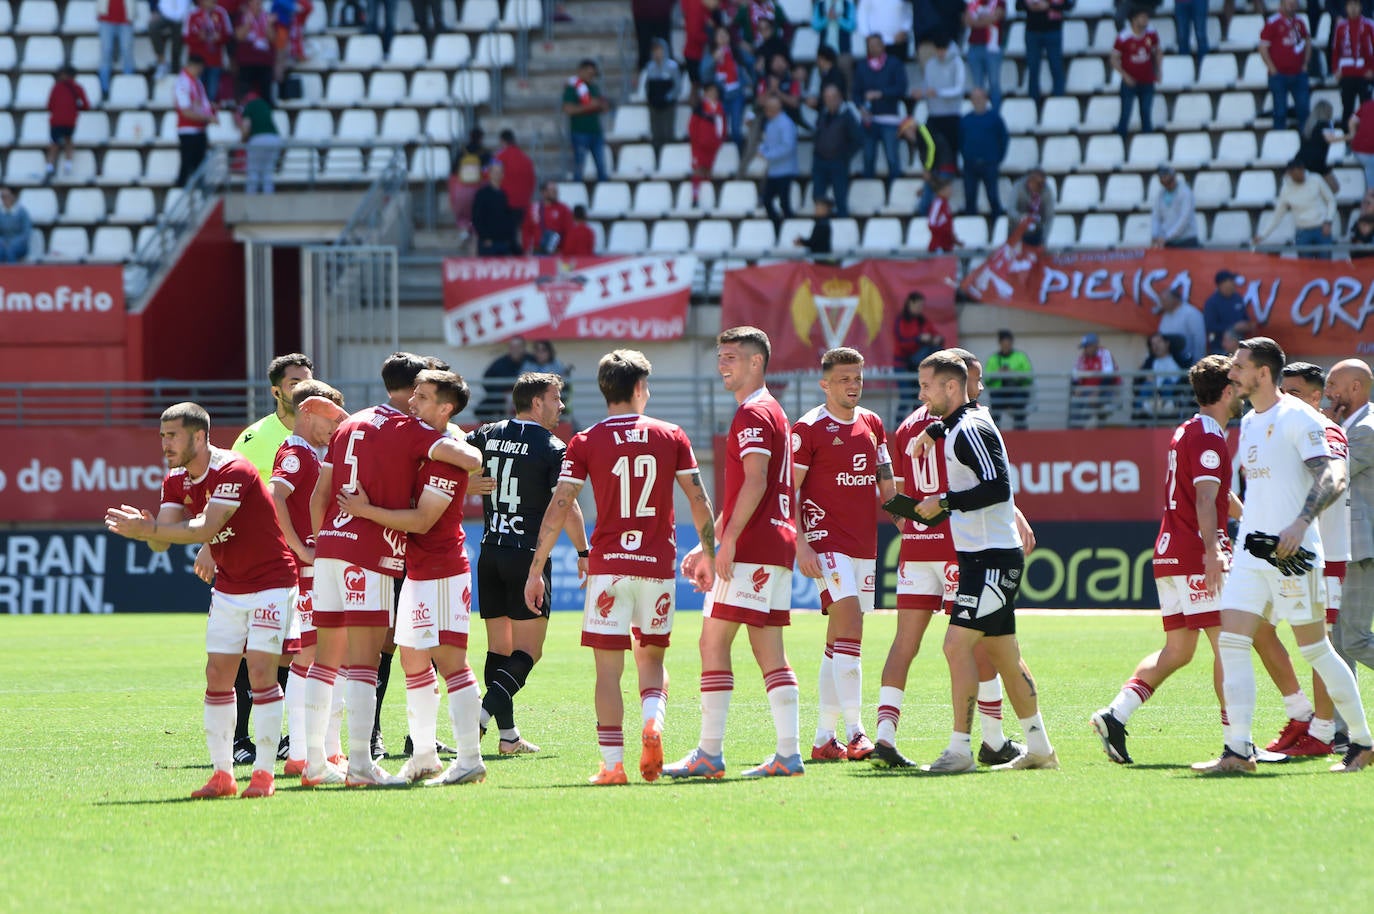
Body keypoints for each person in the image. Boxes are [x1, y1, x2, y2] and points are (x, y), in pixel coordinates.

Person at [525, 351, 716, 785]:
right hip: (655, 566)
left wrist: (537, 567)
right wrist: (708, 552)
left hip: (609, 568)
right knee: (651, 660)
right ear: (638, 389)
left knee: (608, 671)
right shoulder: (672, 435)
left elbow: (559, 506)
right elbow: (699, 500)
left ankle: (613, 766)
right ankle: (653, 721)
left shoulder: (586, 441)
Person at [301, 353, 484, 788]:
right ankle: (403, 758)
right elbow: (471, 459)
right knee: (391, 662)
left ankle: (465, 757)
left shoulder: (362, 425)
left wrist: (331, 535)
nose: (416, 404)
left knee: (437, 661)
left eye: (425, 397)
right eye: (416, 394)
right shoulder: (415, 436)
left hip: (421, 564)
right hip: (384, 560)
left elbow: (420, 517)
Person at [1194, 337, 1371, 774]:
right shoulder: (1251, 421)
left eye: (1239, 366)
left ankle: (1364, 742)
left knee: (1316, 651)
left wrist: (1300, 522)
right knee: (1233, 642)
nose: (1231, 373)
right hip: (1252, 554)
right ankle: (1237, 751)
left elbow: (1334, 473)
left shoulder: (1299, 417)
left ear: (1263, 372)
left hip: (1294, 554)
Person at [105, 402, 298, 799]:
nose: (165, 444)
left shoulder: (234, 468)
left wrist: (153, 529)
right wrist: (145, 532)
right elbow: (164, 540)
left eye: (172, 435)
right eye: (162, 436)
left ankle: (263, 774)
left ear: (199, 436)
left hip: (272, 581)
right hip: (230, 585)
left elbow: (206, 527)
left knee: (262, 671)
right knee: (217, 675)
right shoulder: (176, 478)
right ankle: (223, 775)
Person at [874, 348, 1033, 769]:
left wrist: (911, 525)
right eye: (975, 380)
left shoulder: (911, 427)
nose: (977, 389)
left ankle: (885, 734)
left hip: (917, 546)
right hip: (957, 549)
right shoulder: (965, 424)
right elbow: (981, 484)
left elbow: (898, 495)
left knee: (906, 644)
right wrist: (1009, 511)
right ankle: (992, 740)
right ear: (957, 382)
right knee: (978, 648)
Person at [665, 326, 804, 779]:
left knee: (713, 641)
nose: (722, 364)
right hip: (774, 545)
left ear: (756, 363)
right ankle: (788, 754)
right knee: (770, 653)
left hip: (754, 548)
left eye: (731, 357)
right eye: (720, 357)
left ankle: (709, 752)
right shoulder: (773, 412)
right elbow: (748, 489)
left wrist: (725, 545)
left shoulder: (752, 414)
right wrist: (705, 546)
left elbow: (756, 481)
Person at [911, 351, 1057, 772]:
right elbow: (961, 431)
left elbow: (997, 486)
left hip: (991, 559)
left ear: (951, 388)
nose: (922, 395)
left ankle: (960, 750)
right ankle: (1041, 750)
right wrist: (934, 430)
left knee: (955, 645)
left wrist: (944, 502)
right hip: (986, 556)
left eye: (927, 387)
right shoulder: (959, 423)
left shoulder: (969, 427)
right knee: (1006, 657)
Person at [1093, 355, 1238, 764]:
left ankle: (1115, 714)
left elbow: (1215, 495)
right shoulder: (1210, 436)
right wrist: (1213, 552)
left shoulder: (1188, 430)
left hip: (1169, 552)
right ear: (1226, 391)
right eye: (1238, 383)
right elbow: (1208, 500)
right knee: (1228, 646)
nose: (1243, 389)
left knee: (1178, 651)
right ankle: (1236, 742)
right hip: (1196, 552)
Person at [467, 373, 589, 756]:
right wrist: (584, 552)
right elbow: (564, 505)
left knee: (498, 652)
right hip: (525, 555)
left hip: (489, 551)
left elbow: (445, 452)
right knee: (528, 653)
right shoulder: (552, 447)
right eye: (556, 398)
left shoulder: (486, 433)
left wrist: (467, 483)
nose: (561, 406)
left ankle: (508, 737)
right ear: (537, 402)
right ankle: (479, 719)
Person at [791, 348, 895, 762]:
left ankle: (822, 739)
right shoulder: (809, 428)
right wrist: (800, 542)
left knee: (840, 637)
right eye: (843, 380)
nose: (852, 386)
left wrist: (912, 526)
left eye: (857, 378)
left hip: (862, 544)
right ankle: (856, 732)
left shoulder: (872, 424)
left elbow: (886, 486)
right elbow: (789, 491)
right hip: (824, 539)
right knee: (850, 621)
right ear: (825, 384)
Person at [226, 351, 313, 761]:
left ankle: (283, 735)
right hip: (265, 558)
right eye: (293, 382)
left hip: (308, 557)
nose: (300, 388)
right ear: (276, 390)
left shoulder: (324, 431)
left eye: (306, 380)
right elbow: (227, 497)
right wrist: (215, 545)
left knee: (294, 649)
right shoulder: (254, 439)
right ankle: (240, 738)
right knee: (255, 647)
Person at [270, 380, 348, 778]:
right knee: (311, 657)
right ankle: (303, 754)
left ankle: (323, 750)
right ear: (307, 412)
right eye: (330, 416)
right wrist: (300, 549)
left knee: (323, 658)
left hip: (318, 569)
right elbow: (275, 496)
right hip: (307, 572)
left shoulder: (312, 451)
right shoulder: (297, 452)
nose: (336, 424)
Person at [1327, 360, 1374, 695]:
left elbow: (1333, 474)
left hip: (1361, 546)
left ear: (1355, 388)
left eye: (1333, 385)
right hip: (1341, 545)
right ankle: (1348, 733)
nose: (1328, 393)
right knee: (1338, 642)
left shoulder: (1367, 429)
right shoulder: (1349, 426)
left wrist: (1321, 430)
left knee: (1355, 639)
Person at [1252, 159, 1336, 258]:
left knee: (1326, 266)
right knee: (1304, 267)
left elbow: (1331, 201)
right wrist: (1262, 235)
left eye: (1302, 172)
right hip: (1302, 232)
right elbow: (1277, 215)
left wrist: (1329, 221)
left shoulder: (1316, 179)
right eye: (1297, 174)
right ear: (1289, 174)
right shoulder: (1286, 190)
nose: (1301, 176)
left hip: (1322, 228)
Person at [854, 34, 908, 184]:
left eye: (876, 44)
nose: (873, 48)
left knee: (892, 158)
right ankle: (869, 192)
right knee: (868, 157)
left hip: (889, 119)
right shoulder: (862, 66)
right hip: (869, 119)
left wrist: (881, 93)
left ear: (883, 45)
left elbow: (901, 88)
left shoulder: (894, 64)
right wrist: (860, 107)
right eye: (870, 45)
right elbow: (856, 93)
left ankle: (896, 191)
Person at [1260, 0, 1313, 131]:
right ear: (1281, 4)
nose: (1292, 6)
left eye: (1294, 3)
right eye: (1289, 3)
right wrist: (1272, 69)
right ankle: (1279, 145)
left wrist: (1305, 64)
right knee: (1280, 112)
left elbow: (1307, 43)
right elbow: (1263, 48)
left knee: (1304, 111)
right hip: (1279, 76)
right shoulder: (1272, 22)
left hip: (1299, 74)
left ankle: (1305, 144)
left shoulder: (1300, 22)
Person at [811, 84, 863, 216]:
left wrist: (845, 155)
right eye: (826, 98)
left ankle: (842, 226)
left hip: (838, 163)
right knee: (818, 197)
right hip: (820, 162)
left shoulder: (848, 116)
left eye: (832, 98)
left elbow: (857, 139)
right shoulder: (822, 115)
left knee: (840, 198)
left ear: (840, 99)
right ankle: (821, 228)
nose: (829, 101)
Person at [1112, 8, 1162, 139]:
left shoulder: (1151, 33)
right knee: (1125, 114)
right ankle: (1119, 143)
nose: (1145, 20)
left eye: (1146, 17)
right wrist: (1125, 75)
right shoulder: (1124, 36)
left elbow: (1157, 51)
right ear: (1134, 20)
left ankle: (1148, 143)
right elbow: (1113, 59)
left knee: (1146, 113)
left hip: (1147, 80)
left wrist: (1158, 70)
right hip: (1129, 82)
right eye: (1142, 17)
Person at [893, 291, 945, 413]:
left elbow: (936, 334)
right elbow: (902, 342)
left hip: (918, 366)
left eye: (922, 306)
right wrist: (918, 339)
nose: (920, 308)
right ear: (910, 303)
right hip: (903, 364)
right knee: (906, 398)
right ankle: (897, 427)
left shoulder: (923, 320)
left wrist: (937, 339)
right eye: (918, 305)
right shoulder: (900, 320)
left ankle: (916, 426)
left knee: (918, 398)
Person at [961, 87, 1007, 217]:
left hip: (989, 163)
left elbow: (1003, 139)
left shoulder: (995, 118)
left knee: (993, 197)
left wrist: (998, 158)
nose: (977, 101)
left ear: (986, 99)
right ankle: (971, 228)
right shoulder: (966, 120)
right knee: (970, 198)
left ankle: (997, 227)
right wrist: (966, 156)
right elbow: (960, 140)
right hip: (970, 165)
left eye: (980, 98)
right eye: (974, 98)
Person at [917, 37, 965, 159]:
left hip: (951, 114)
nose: (940, 53)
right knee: (933, 149)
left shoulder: (957, 63)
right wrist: (921, 93)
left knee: (951, 149)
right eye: (938, 50)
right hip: (934, 115)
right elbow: (927, 87)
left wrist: (938, 92)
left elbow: (958, 89)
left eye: (943, 50)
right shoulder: (930, 64)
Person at [1018, 0, 1073, 105]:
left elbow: (1069, 5)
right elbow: (1019, 5)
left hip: (1053, 31)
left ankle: (1058, 102)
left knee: (1056, 67)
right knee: (1033, 68)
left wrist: (1048, 5)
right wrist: (1031, 6)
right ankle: (1032, 104)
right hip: (1032, 31)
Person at [565, 59, 611, 182]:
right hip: (580, 132)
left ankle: (604, 192)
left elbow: (603, 106)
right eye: (589, 74)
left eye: (593, 74)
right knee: (579, 166)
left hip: (596, 132)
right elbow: (569, 109)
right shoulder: (572, 88)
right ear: (581, 71)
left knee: (602, 166)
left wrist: (601, 105)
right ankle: (577, 192)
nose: (592, 77)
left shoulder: (594, 88)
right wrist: (589, 106)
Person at [758, 94, 799, 231]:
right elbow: (767, 143)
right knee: (767, 200)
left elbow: (788, 147)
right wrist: (762, 150)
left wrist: (768, 155)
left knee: (784, 203)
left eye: (768, 108)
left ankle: (790, 228)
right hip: (774, 171)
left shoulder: (786, 124)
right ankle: (777, 226)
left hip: (785, 171)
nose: (766, 111)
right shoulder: (770, 124)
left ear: (775, 109)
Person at [1332, 0, 1374, 128]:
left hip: (1364, 74)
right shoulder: (1341, 26)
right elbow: (1335, 50)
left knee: (1366, 109)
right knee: (1347, 109)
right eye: (1350, 5)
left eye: (1356, 5)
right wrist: (1335, 70)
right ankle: (1346, 141)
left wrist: (1372, 69)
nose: (1353, 8)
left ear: (1361, 7)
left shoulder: (1369, 25)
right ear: (1346, 8)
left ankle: (1366, 139)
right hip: (1346, 75)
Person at [175, 55, 215, 187]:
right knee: (186, 163)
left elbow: (204, 106)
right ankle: (181, 190)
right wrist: (207, 117)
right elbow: (185, 111)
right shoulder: (182, 82)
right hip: (187, 129)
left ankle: (198, 189)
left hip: (199, 129)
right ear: (194, 66)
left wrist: (209, 115)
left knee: (200, 164)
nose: (200, 71)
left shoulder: (197, 83)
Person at [45, 66, 90, 181]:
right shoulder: (77, 88)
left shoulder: (56, 87)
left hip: (56, 120)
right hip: (70, 120)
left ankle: (50, 167)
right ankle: (68, 166)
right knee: (68, 141)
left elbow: (49, 105)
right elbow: (86, 105)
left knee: (54, 144)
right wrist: (75, 108)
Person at [1131, 333, 1189, 421]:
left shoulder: (1178, 359)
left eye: (1159, 342)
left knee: (1167, 382)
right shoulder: (1150, 362)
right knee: (1147, 385)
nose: (1156, 346)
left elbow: (1187, 376)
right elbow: (1139, 378)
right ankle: (1140, 413)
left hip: (1173, 392)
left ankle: (1167, 408)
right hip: (1153, 394)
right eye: (1153, 344)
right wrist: (1145, 377)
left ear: (1167, 343)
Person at [183, 0, 232, 102]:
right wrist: (199, 38)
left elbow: (228, 34)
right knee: (196, 94)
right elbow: (185, 37)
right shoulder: (192, 13)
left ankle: (210, 115)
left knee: (212, 94)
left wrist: (219, 38)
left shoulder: (221, 13)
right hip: (197, 62)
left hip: (214, 60)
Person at [1069, 333, 1119, 428]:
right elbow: (1075, 376)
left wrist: (1097, 392)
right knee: (1074, 408)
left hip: (1106, 391)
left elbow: (1109, 377)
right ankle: (1073, 434)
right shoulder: (1083, 357)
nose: (1085, 350)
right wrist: (1076, 388)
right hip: (1087, 391)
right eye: (1084, 347)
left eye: (1087, 346)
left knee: (1087, 409)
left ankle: (1078, 433)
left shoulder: (1105, 353)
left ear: (1095, 345)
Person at [985, 329, 1032, 430]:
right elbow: (987, 380)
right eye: (1004, 343)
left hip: (1017, 391)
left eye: (1008, 343)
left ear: (1011, 343)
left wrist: (1013, 373)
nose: (1006, 346)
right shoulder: (993, 359)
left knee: (1018, 403)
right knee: (996, 404)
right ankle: (994, 432)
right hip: (999, 392)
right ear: (1000, 344)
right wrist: (998, 373)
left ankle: (1020, 430)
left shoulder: (1020, 357)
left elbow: (1029, 377)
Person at [689, 81, 727, 207]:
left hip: (713, 145)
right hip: (699, 144)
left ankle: (707, 199)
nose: (713, 93)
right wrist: (696, 140)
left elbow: (722, 125)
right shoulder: (700, 107)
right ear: (705, 93)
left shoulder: (719, 108)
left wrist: (720, 139)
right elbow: (692, 125)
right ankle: (695, 197)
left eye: (715, 91)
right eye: (710, 91)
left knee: (708, 170)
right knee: (698, 169)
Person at [640, 39, 682, 152]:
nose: (657, 53)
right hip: (654, 105)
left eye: (659, 50)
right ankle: (657, 157)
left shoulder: (672, 67)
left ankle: (670, 157)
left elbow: (677, 87)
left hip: (668, 105)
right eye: (655, 50)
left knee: (668, 133)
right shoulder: (649, 67)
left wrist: (667, 98)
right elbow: (647, 85)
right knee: (656, 134)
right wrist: (651, 99)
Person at [475, 337, 529, 421]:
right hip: (502, 399)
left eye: (518, 347)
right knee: (480, 410)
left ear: (524, 348)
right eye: (513, 347)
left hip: (525, 398)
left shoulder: (531, 360)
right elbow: (487, 381)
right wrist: (502, 394)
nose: (516, 350)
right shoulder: (500, 363)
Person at [239, 90, 281, 194]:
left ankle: (250, 199)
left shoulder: (249, 106)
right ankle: (269, 199)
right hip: (274, 138)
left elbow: (246, 128)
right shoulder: (265, 105)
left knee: (253, 171)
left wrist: (242, 141)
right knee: (267, 172)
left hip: (257, 139)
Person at [964, 0, 1005, 107]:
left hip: (992, 47)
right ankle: (979, 113)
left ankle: (995, 115)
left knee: (994, 84)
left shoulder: (998, 2)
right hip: (974, 47)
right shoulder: (973, 3)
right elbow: (967, 20)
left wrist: (977, 20)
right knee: (977, 86)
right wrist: (986, 19)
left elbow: (995, 17)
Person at [473, 162, 519, 256]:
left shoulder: (504, 195)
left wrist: (510, 239)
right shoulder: (482, 194)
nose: (497, 175)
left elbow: (509, 219)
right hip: (488, 243)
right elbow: (476, 217)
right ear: (489, 174)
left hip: (503, 243)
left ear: (503, 175)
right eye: (495, 172)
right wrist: (484, 237)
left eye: (499, 172)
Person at [493, 130, 536, 230]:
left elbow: (487, 174)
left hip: (505, 203)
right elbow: (532, 181)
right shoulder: (526, 159)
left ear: (502, 141)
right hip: (523, 203)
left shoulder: (499, 157)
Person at [235, 0, 276, 103]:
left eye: (259, 2)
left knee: (265, 94)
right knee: (245, 94)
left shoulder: (267, 17)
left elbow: (273, 38)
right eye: (254, 2)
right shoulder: (242, 17)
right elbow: (239, 36)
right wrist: (248, 23)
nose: (257, 5)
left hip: (264, 62)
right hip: (247, 62)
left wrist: (269, 25)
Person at [1202, 270, 1251, 354]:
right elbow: (1210, 327)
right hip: (1219, 347)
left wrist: (1247, 325)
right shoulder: (1212, 303)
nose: (1233, 284)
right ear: (1221, 284)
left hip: (1239, 346)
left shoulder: (1237, 298)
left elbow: (1245, 317)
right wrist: (1233, 327)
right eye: (1230, 281)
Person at [1299, 100, 1343, 194]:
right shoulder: (1325, 124)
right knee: (1334, 188)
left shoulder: (1309, 126)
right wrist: (1350, 136)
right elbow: (1331, 139)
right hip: (1317, 163)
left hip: (1303, 161)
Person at [1150, 166, 1199, 248]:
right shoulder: (1160, 194)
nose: (1168, 185)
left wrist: (1167, 236)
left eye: (1169, 181)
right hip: (1169, 242)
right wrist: (1155, 234)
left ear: (1174, 177)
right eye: (1164, 182)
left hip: (1186, 241)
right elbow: (1156, 216)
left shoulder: (1185, 193)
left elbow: (1184, 219)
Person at [1156, 287, 1206, 366]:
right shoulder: (1166, 315)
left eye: (1164, 301)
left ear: (1175, 300)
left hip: (1187, 362)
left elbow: (1199, 340)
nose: (1161, 304)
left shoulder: (1191, 314)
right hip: (1168, 363)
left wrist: (1197, 363)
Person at [522, 181, 574, 256]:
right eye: (552, 190)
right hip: (536, 252)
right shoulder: (534, 208)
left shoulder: (563, 209)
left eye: (556, 191)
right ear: (544, 192)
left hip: (555, 253)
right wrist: (526, 248)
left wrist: (564, 252)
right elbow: (526, 230)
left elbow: (569, 232)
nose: (555, 193)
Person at [98, 0, 137, 96]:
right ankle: (104, 89)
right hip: (106, 19)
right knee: (106, 52)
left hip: (126, 19)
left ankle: (128, 85)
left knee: (127, 52)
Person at [1011, 168, 1055, 247]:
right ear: (1030, 181)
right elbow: (1011, 209)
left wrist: (1044, 239)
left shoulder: (1046, 191)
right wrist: (1021, 218)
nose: (1039, 187)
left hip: (1037, 229)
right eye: (1037, 184)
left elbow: (1049, 216)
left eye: (1042, 184)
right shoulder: (1018, 187)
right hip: (1017, 227)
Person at [151, 0, 190, 80]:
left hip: (182, 17)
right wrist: (154, 10)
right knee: (153, 27)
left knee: (176, 46)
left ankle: (175, 72)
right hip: (165, 14)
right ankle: (161, 62)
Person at [634, 0, 676, 69]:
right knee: (644, 51)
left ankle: (669, 77)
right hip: (642, 14)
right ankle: (644, 76)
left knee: (665, 50)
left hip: (662, 13)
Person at [0, 186, 33, 264]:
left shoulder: (22, 212)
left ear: (13, 196)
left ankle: (12, 275)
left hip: (19, 245)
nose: (5, 199)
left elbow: (26, 233)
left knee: (10, 251)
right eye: (2, 197)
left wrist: (12, 243)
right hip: (3, 244)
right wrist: (3, 241)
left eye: (7, 196)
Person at [1348, 96, 1374, 191]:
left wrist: (1352, 136)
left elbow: (1352, 121)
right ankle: (1371, 197)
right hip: (1366, 151)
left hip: (1358, 148)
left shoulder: (1367, 105)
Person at [927, 176, 958, 251]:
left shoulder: (945, 204)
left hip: (947, 245)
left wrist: (952, 237)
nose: (950, 191)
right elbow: (932, 223)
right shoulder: (938, 203)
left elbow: (946, 224)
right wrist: (941, 237)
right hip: (938, 245)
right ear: (941, 191)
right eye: (948, 189)